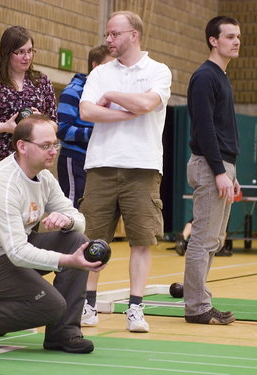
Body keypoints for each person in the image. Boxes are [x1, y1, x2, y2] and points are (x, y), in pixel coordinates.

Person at [0, 114, 105, 353]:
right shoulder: (2, 185)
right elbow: (17, 253)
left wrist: (67, 221)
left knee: (77, 240)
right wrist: (67, 261)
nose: (53, 151)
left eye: (55, 144)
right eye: (45, 146)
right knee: (51, 306)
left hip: (9, 257)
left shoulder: (43, 177)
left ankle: (63, 333)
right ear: (22, 146)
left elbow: (79, 221)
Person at [79, 11, 172, 332]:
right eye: (107, 34)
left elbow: (148, 104)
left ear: (134, 35)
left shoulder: (158, 71)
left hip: (143, 168)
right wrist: (127, 113)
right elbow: (87, 110)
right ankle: (87, 305)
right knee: (92, 241)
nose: (108, 40)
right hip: (101, 165)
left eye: (115, 34)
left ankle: (135, 309)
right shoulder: (100, 73)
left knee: (141, 241)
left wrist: (114, 98)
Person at [184, 16, 241, 325]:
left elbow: (221, 131)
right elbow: (205, 128)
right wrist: (219, 170)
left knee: (214, 239)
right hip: (210, 166)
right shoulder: (205, 76)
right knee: (204, 239)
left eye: (238, 37)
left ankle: (197, 295)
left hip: (221, 166)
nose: (236, 41)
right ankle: (196, 307)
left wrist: (231, 173)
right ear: (213, 40)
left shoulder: (221, 76)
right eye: (230, 36)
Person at [0, 26, 57, 174]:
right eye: (21, 52)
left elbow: (54, 124)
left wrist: (39, 122)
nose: (27, 57)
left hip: (31, 165)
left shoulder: (42, 81)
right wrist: (5, 127)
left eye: (30, 51)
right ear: (6, 53)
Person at [57, 45, 113, 208]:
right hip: (74, 158)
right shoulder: (74, 91)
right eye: (109, 65)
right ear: (95, 66)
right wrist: (96, 133)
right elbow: (61, 129)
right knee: (72, 210)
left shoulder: (108, 93)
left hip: (96, 161)